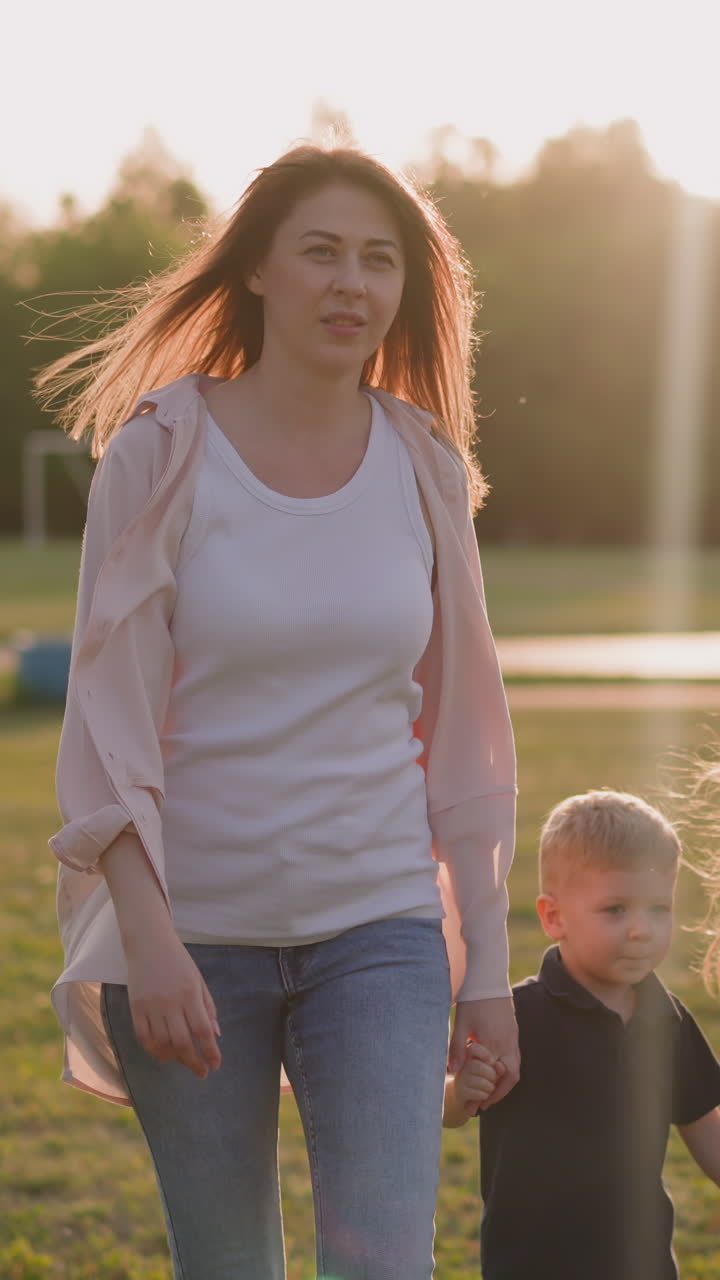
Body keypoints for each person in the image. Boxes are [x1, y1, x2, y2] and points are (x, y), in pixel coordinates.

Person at [36, 141, 519, 1280]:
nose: (351, 282)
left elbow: (466, 736)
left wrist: (487, 972)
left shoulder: (424, 465)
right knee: (229, 1264)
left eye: (379, 259)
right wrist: (148, 944)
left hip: (382, 931)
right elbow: (106, 725)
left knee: (386, 1265)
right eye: (321, 252)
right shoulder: (159, 452)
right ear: (257, 267)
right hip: (192, 942)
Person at [443, 789, 720, 1280]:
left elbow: (708, 1129)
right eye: (615, 910)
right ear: (553, 917)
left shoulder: (668, 1021)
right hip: (529, 1266)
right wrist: (462, 1093)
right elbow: (443, 1112)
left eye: (659, 909)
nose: (641, 929)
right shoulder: (516, 1016)